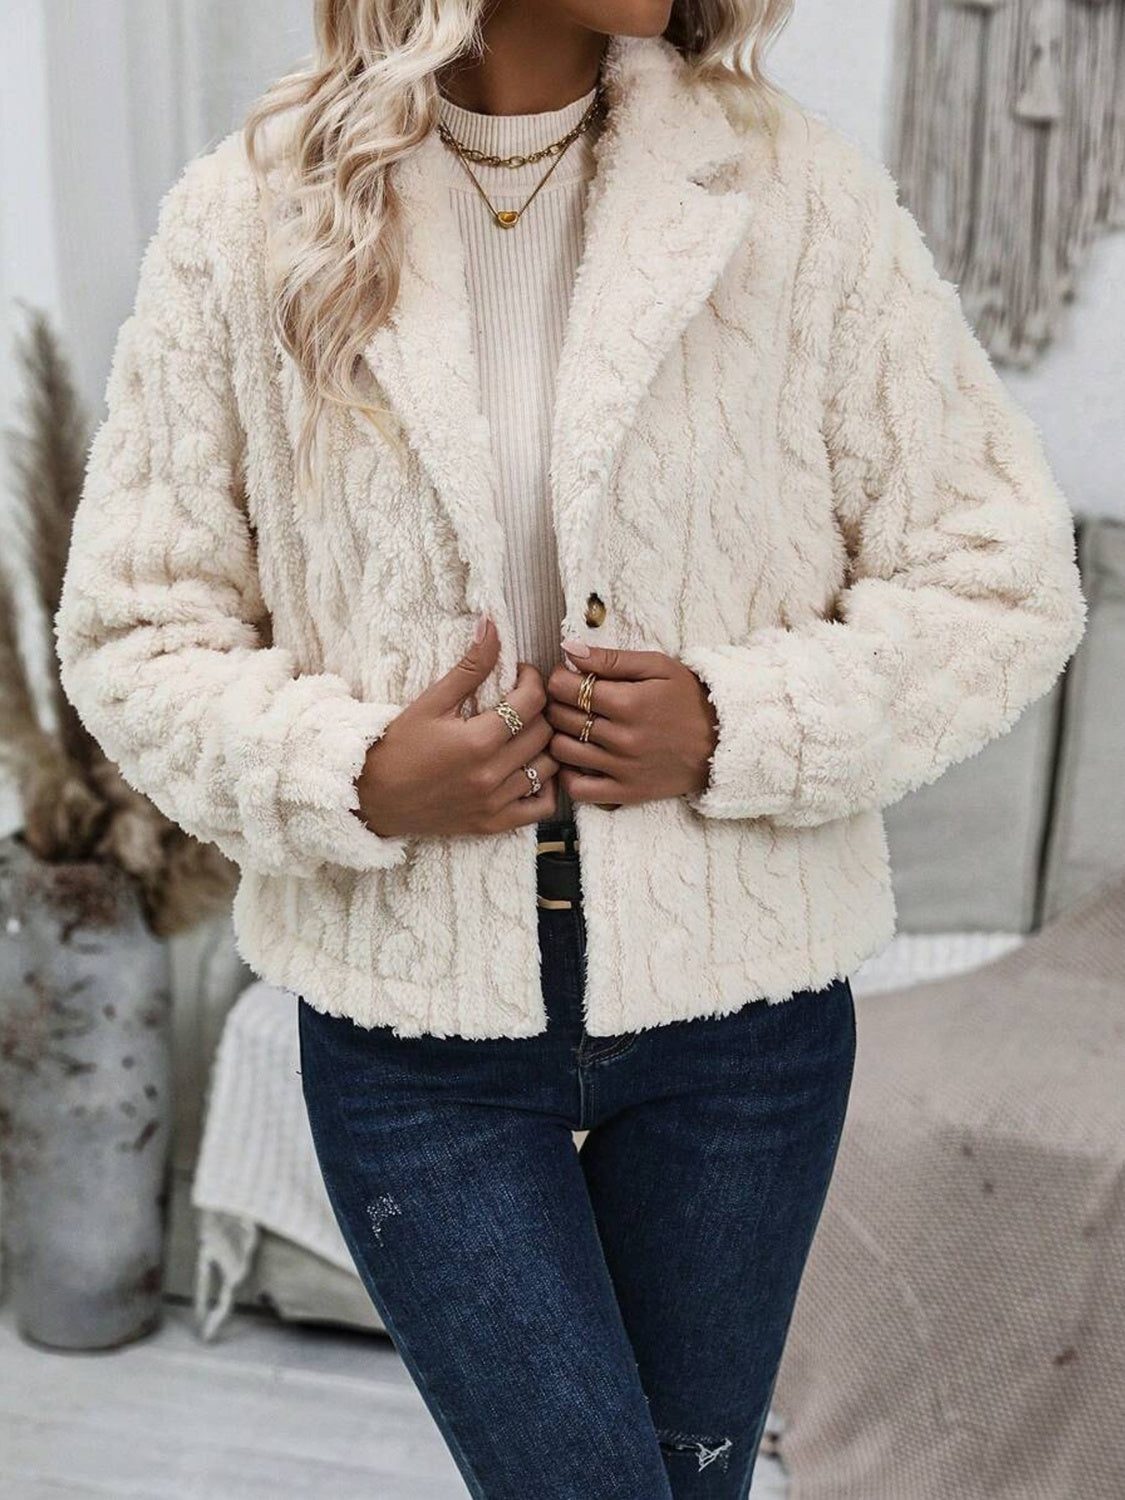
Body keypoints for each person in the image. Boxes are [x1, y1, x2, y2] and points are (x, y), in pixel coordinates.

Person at [54, 2, 1087, 1495]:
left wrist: (736, 721)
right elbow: (132, 630)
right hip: (414, 1035)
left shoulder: (786, 190)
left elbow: (1004, 577)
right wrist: (353, 773)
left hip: (742, 1025)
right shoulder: (251, 215)